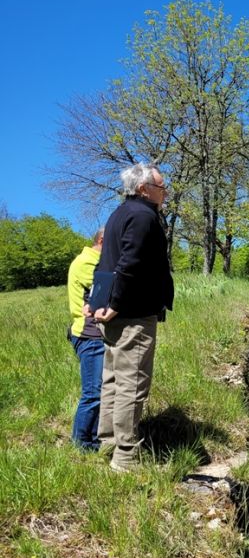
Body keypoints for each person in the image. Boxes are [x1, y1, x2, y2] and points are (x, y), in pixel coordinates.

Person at [91, 163, 174, 472]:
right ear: (144, 189)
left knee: (112, 379)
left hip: (116, 313)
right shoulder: (143, 216)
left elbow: (105, 261)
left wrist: (97, 300)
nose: (164, 193)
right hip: (134, 314)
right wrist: (114, 302)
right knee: (132, 384)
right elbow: (129, 263)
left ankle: (108, 444)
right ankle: (125, 457)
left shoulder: (118, 214)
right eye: (161, 188)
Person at [67, 227, 105, 451]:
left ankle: (92, 439)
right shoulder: (87, 262)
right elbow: (112, 286)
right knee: (92, 392)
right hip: (88, 334)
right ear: (102, 240)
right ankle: (82, 444)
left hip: (94, 334)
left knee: (98, 391)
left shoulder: (93, 260)